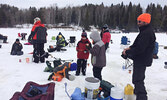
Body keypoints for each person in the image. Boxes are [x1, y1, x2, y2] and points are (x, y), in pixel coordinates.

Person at [122, 13, 156, 100]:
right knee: (137, 78)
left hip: (142, 60)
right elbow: (137, 44)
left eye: (140, 21)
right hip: (141, 59)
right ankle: (137, 92)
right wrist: (129, 48)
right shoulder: (145, 31)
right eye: (137, 21)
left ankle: (142, 97)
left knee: (138, 80)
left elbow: (140, 49)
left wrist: (128, 53)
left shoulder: (146, 33)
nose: (138, 23)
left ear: (145, 22)